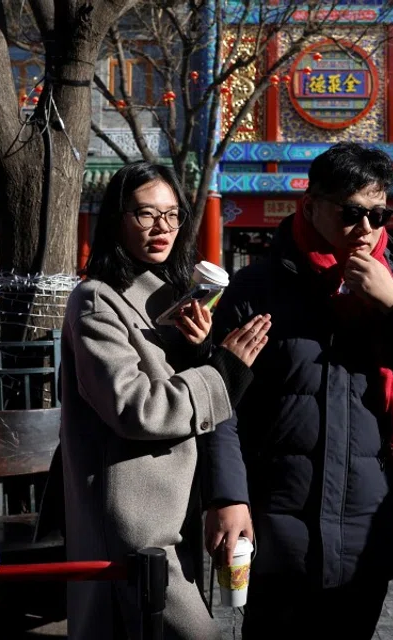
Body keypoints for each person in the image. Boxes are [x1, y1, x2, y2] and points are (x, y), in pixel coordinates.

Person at [203, 143, 393, 639]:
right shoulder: (256, 290)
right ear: (311, 206)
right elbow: (221, 407)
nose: (366, 228)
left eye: (379, 213)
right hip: (278, 527)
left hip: (367, 528)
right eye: (351, 213)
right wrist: (228, 495)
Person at [60, 161, 271, 639]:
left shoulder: (176, 298)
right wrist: (223, 370)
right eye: (145, 214)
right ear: (117, 219)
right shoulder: (97, 300)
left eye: (172, 215)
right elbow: (136, 407)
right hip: (136, 520)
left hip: (178, 510)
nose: (162, 228)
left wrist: (201, 349)